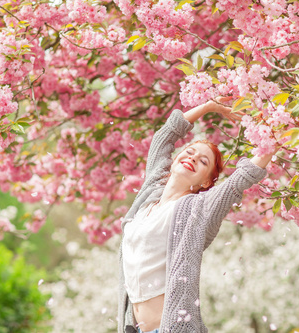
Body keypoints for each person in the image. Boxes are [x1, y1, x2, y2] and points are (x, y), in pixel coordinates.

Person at [118, 98, 276, 333]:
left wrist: (275, 134)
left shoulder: (197, 209)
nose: (192, 158)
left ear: (206, 181)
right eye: (189, 152)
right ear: (173, 162)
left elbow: (241, 178)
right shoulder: (148, 196)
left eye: (203, 161)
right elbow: (164, 137)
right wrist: (209, 106)